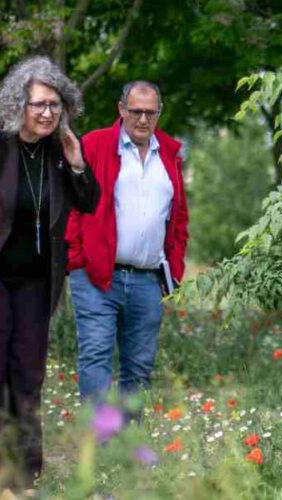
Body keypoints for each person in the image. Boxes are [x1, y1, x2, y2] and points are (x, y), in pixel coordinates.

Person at [0, 56, 99, 489]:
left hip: (34, 284)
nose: (48, 113)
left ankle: (20, 481)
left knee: (26, 379)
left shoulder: (57, 150)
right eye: (38, 104)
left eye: (55, 104)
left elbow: (88, 202)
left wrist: (77, 160)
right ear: (17, 105)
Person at [65, 81, 189, 403]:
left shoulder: (171, 156)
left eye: (150, 112)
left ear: (159, 113)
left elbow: (179, 220)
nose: (143, 120)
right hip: (97, 277)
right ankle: (98, 446)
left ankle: (129, 444)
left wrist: (173, 271)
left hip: (148, 281)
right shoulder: (94, 145)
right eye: (136, 111)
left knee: (139, 367)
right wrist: (78, 259)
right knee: (96, 358)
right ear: (121, 110)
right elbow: (72, 206)